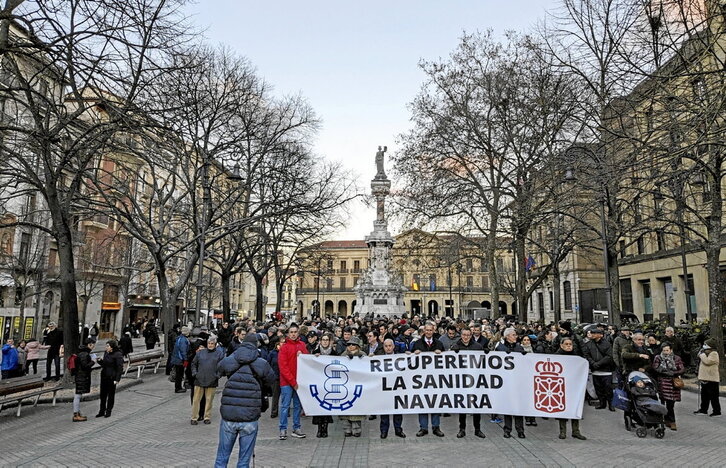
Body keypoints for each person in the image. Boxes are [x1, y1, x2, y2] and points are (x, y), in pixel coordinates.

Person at [214, 331, 275, 468]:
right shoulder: (261, 363)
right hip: (250, 415)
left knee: (222, 457)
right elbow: (271, 379)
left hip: (229, 414)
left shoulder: (230, 359)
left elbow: (217, 371)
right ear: (255, 345)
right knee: (243, 461)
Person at [411, 322, 445, 437]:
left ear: (434, 331)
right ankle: (423, 427)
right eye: (427, 330)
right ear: (423, 331)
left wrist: (441, 354)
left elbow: (446, 362)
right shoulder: (417, 344)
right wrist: (414, 354)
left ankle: (436, 427)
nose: (429, 332)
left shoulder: (439, 344)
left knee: (435, 402)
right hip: (421, 379)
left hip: (435, 379)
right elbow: (410, 362)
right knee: (422, 403)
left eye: (431, 330)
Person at [450, 327, 486, 438]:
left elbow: (483, 363)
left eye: (468, 335)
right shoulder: (455, 347)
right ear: (461, 335)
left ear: (471, 336)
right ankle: (462, 429)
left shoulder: (478, 347)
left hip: (475, 380)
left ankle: (477, 429)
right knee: (463, 406)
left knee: (476, 405)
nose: (466, 337)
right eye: (464, 335)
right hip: (461, 381)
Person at [278, 323, 308, 440]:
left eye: (295, 332)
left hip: (299, 381)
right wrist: (292, 382)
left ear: (298, 333)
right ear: (288, 334)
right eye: (291, 332)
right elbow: (283, 367)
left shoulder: (302, 345)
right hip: (287, 382)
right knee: (285, 406)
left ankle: (296, 427)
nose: (293, 334)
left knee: (297, 406)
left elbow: (307, 361)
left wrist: (304, 355)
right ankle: (283, 428)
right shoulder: (284, 347)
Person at [496, 328, 526, 438]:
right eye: (513, 335)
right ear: (507, 336)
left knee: (518, 407)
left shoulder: (519, 348)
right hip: (506, 382)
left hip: (518, 382)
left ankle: (520, 430)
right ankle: (507, 429)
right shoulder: (500, 348)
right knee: (507, 406)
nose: (516, 337)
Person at [555, 338, 587, 440]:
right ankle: (563, 431)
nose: (569, 346)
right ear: (561, 345)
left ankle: (576, 431)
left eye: (570, 344)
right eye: (566, 344)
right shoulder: (557, 356)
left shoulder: (577, 357)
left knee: (575, 407)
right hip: (562, 386)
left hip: (574, 386)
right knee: (563, 408)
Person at [191, 336, 225, 425]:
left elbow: (222, 366)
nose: (210, 345)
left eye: (212, 344)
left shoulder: (219, 354)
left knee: (209, 400)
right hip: (199, 379)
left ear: (215, 344)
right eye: (209, 343)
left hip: (212, 380)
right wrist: (195, 373)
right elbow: (194, 363)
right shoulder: (200, 353)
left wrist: (218, 375)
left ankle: (207, 417)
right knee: (196, 400)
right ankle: (194, 417)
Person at [338, 336, 366, 437]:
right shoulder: (343, 355)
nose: (351, 346)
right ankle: (347, 429)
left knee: (356, 408)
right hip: (346, 386)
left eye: (353, 344)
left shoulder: (363, 356)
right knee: (346, 408)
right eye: (349, 344)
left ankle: (356, 429)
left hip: (357, 385)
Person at [652, 343, 685, 429]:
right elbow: (655, 368)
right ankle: (666, 420)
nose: (666, 352)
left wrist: (674, 373)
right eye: (664, 350)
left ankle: (670, 420)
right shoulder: (658, 358)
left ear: (671, 350)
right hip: (663, 382)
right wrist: (665, 372)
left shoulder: (676, 358)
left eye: (667, 350)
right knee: (663, 402)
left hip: (673, 383)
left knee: (671, 404)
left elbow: (681, 369)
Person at [582, 328, 615, 411]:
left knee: (608, 388)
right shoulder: (589, 344)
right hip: (595, 370)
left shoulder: (607, 344)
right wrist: (593, 363)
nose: (592, 334)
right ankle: (602, 403)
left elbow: (609, 356)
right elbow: (587, 355)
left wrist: (599, 363)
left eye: (595, 333)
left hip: (606, 370)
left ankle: (611, 404)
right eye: (592, 333)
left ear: (600, 335)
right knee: (598, 388)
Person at [379, 338, 406, 439]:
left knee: (398, 410)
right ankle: (384, 431)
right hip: (384, 388)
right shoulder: (379, 358)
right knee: (384, 410)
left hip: (397, 388)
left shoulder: (400, 356)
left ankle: (398, 429)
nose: (388, 348)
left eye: (390, 346)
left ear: (393, 346)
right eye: (386, 346)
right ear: (383, 347)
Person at [96, 340, 124, 418]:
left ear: (112, 347)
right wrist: (100, 361)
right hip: (104, 376)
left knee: (110, 395)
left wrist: (117, 379)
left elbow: (120, 368)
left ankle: (108, 411)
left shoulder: (118, 354)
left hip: (112, 377)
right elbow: (105, 364)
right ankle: (102, 410)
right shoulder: (106, 353)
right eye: (106, 346)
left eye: (108, 346)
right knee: (103, 395)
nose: (106, 347)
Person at [694, 338, 721, 417]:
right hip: (705, 378)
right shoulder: (705, 353)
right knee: (704, 395)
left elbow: (708, 362)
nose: (704, 346)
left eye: (706, 345)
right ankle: (703, 409)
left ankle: (716, 411)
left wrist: (701, 355)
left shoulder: (714, 353)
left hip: (712, 379)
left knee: (713, 396)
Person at [72, 338, 96, 422]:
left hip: (80, 376)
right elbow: (84, 366)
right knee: (78, 395)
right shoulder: (84, 354)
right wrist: (93, 362)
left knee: (78, 394)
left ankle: (77, 412)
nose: (93, 346)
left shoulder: (82, 352)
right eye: (93, 345)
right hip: (81, 376)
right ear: (89, 344)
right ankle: (76, 414)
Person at [171, 326, 191, 393]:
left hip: (177, 359)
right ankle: (178, 388)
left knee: (179, 374)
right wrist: (185, 359)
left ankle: (178, 387)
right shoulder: (183, 340)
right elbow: (183, 351)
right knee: (179, 374)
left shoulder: (180, 338)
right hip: (180, 360)